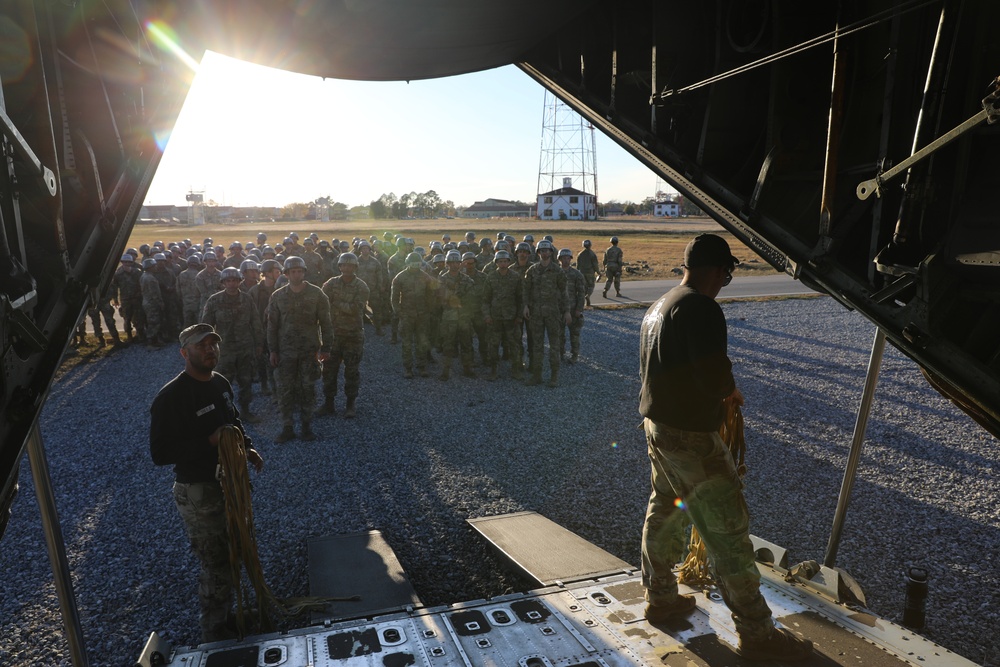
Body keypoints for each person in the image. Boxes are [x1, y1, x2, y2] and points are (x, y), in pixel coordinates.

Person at [638, 234, 812, 661]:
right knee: (727, 532)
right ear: (716, 270)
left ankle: (660, 599)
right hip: (691, 436)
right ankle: (757, 633)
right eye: (726, 274)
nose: (724, 282)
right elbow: (713, 373)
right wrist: (729, 392)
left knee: (664, 507)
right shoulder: (699, 307)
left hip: (658, 427)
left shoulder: (662, 303)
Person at [149, 323, 264, 643]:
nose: (209, 350)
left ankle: (229, 616)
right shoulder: (171, 397)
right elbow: (160, 454)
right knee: (215, 562)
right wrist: (210, 441)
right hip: (199, 492)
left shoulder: (221, 383)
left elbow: (233, 420)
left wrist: (248, 446)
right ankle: (214, 630)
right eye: (201, 346)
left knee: (234, 551)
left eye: (213, 344)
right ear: (185, 352)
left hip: (228, 485)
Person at [267, 256, 334, 442]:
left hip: (309, 351)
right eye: (292, 272)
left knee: (308, 388)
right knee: (285, 389)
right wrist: (272, 350)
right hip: (285, 352)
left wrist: (326, 347)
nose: (296, 275)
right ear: (286, 274)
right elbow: (272, 326)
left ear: (304, 272)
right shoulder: (278, 296)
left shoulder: (317, 294)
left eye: (300, 271)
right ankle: (287, 426)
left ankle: (306, 426)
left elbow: (326, 323)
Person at [201, 267, 264, 422]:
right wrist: (206, 346)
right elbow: (206, 326)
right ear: (223, 283)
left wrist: (259, 344)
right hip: (224, 349)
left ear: (239, 281)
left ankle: (245, 410)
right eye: (228, 281)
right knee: (221, 382)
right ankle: (223, 413)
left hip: (245, 347)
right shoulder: (214, 300)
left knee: (246, 380)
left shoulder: (247, 299)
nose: (231, 283)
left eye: (234, 280)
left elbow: (256, 322)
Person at [319, 252, 369, 417]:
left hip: (353, 336)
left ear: (355, 267)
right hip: (332, 336)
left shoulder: (361, 286)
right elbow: (321, 305)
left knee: (351, 371)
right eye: (344, 265)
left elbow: (356, 309)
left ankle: (350, 405)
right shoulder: (330, 284)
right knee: (328, 370)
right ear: (339, 267)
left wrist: (335, 303)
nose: (347, 268)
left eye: (350, 266)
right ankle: (329, 404)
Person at [522, 240, 570, 387]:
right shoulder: (532, 270)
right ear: (538, 253)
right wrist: (525, 306)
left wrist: (567, 311)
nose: (544, 253)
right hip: (536, 313)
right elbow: (526, 290)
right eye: (541, 251)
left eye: (547, 250)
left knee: (554, 345)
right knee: (537, 345)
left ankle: (554, 377)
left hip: (553, 313)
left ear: (551, 252)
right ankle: (537, 376)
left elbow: (564, 292)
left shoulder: (557, 271)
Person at [558, 248, 586, 363]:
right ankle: (560, 354)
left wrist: (579, 309)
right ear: (559, 259)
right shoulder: (556, 273)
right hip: (559, 309)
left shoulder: (576, 274)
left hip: (573, 308)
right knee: (559, 335)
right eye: (563, 258)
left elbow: (581, 293)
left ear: (570, 259)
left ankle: (574, 356)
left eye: (567, 258)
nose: (565, 260)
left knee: (574, 335)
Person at [576, 239, 600, 306]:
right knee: (591, 285)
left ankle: (582, 302)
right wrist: (598, 272)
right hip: (590, 272)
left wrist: (578, 273)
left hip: (582, 272)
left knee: (584, 287)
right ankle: (588, 296)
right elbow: (595, 265)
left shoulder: (580, 254)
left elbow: (578, 265)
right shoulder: (592, 254)